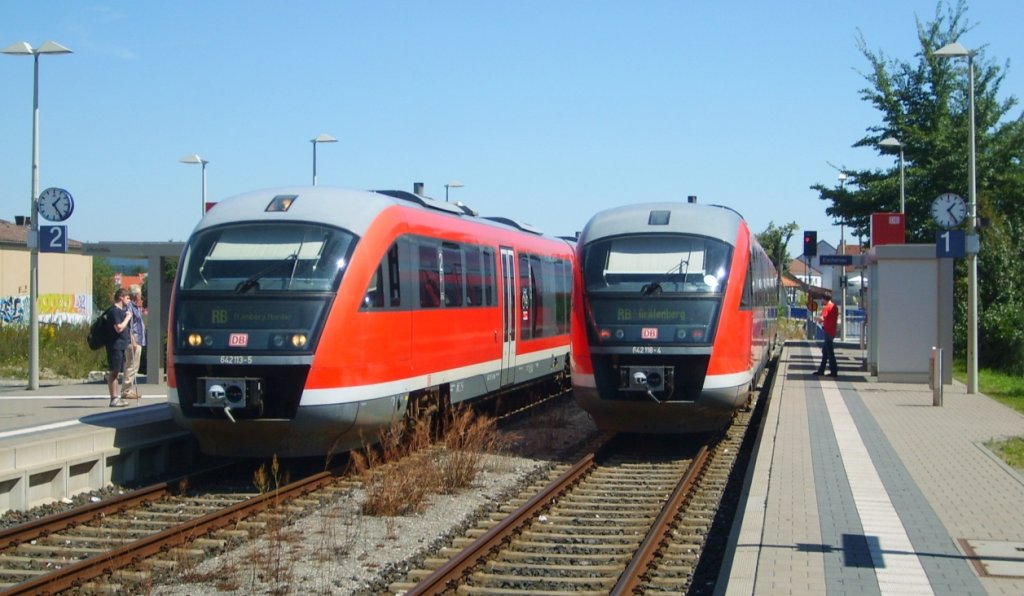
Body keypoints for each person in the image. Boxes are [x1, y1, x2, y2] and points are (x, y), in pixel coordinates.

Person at [106, 288, 134, 407]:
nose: (129, 300)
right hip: (115, 346)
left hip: (121, 345)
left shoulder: (121, 311)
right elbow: (119, 327)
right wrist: (128, 317)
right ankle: (114, 398)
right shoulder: (114, 311)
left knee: (117, 371)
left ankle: (115, 397)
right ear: (121, 297)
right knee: (114, 372)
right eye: (127, 297)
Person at [121, 284, 147, 400]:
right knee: (131, 366)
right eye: (140, 294)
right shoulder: (129, 307)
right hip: (134, 341)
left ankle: (128, 389)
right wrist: (133, 339)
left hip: (138, 340)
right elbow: (128, 325)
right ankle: (127, 391)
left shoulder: (135, 307)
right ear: (136, 295)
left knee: (133, 366)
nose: (141, 296)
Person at [814, 294, 839, 377]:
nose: (822, 301)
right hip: (832, 331)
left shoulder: (827, 307)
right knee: (825, 352)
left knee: (830, 353)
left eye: (822, 299)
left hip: (827, 331)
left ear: (824, 299)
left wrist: (816, 318)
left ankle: (834, 371)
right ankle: (821, 370)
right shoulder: (835, 306)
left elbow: (822, 319)